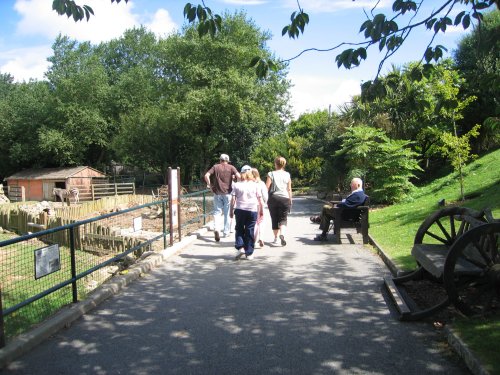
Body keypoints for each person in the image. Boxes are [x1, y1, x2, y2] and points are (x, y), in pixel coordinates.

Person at [204, 154, 240, 242]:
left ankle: (216, 229)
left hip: (217, 193)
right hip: (228, 193)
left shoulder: (215, 167)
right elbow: (239, 176)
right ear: (227, 160)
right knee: (227, 213)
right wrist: (237, 185)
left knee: (217, 212)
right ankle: (226, 232)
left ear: (220, 160)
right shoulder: (231, 167)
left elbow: (206, 175)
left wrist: (210, 186)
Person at [230, 168, 263, 260]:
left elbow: (233, 199)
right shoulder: (256, 185)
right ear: (251, 174)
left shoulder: (236, 185)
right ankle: (249, 253)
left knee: (239, 228)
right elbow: (260, 200)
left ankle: (240, 247)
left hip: (240, 210)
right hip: (252, 210)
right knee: (250, 230)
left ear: (241, 174)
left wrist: (231, 211)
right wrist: (261, 211)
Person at [266, 156, 292, 246]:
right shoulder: (287, 174)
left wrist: (264, 198)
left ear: (275, 164)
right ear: (284, 164)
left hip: (273, 198)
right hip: (285, 198)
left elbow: (267, 187)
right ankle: (282, 234)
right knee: (283, 219)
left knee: (274, 218)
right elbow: (289, 189)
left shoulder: (271, 174)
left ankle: (276, 238)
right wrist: (290, 199)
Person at [251, 167, 269, 248]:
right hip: (261, 205)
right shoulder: (261, 183)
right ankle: (261, 238)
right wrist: (266, 203)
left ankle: (254, 240)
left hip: (252, 205)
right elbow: (265, 196)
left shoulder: (249, 183)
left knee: (254, 223)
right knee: (261, 222)